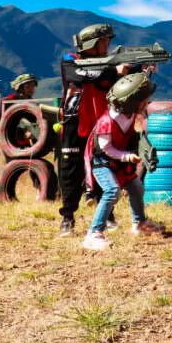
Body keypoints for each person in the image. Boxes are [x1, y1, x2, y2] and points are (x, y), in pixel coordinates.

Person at [57, 24, 130, 236]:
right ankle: (67, 217)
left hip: (101, 124)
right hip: (74, 122)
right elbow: (79, 74)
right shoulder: (69, 60)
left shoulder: (109, 65)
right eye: (104, 41)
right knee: (70, 172)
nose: (108, 45)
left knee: (103, 167)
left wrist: (136, 71)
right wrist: (111, 70)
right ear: (91, 44)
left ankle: (107, 215)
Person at [81, 72, 165, 250]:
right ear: (131, 102)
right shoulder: (106, 122)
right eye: (143, 100)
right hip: (103, 163)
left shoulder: (129, 114)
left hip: (118, 162)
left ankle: (139, 223)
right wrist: (128, 157)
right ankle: (93, 233)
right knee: (112, 191)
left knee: (136, 188)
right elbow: (106, 149)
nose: (146, 103)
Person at [0, 73, 37, 143]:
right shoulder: (9, 100)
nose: (31, 89)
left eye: (33, 86)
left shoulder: (32, 102)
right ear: (20, 88)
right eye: (28, 86)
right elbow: (1, 119)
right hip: (10, 133)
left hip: (26, 135)